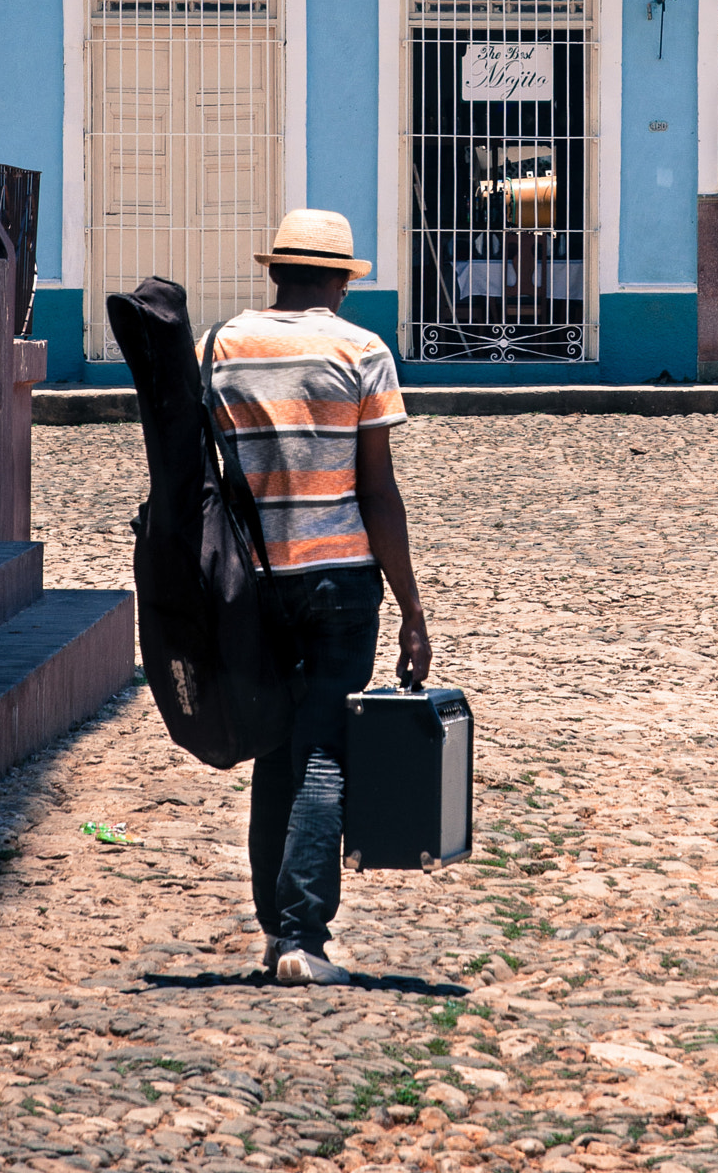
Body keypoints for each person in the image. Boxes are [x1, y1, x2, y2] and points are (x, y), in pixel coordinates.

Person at [205, 208, 431, 988]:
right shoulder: (359, 350)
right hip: (338, 579)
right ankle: (304, 936)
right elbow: (377, 488)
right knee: (323, 750)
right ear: (338, 280)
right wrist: (410, 607)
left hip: (250, 587)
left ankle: (276, 933)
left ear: (275, 273)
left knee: (274, 748)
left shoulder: (221, 348)